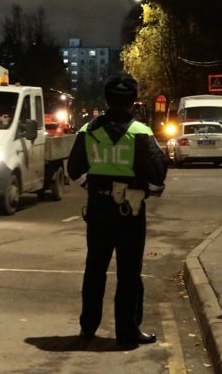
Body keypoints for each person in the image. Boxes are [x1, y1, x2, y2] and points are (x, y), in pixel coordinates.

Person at [67, 74, 169, 346]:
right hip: (130, 210)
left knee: (95, 268)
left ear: (106, 99)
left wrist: (94, 187)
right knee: (129, 272)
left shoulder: (88, 130)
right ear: (133, 101)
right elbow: (159, 174)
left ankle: (88, 327)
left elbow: (74, 169)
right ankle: (127, 332)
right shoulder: (140, 133)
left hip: (98, 209)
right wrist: (146, 190)